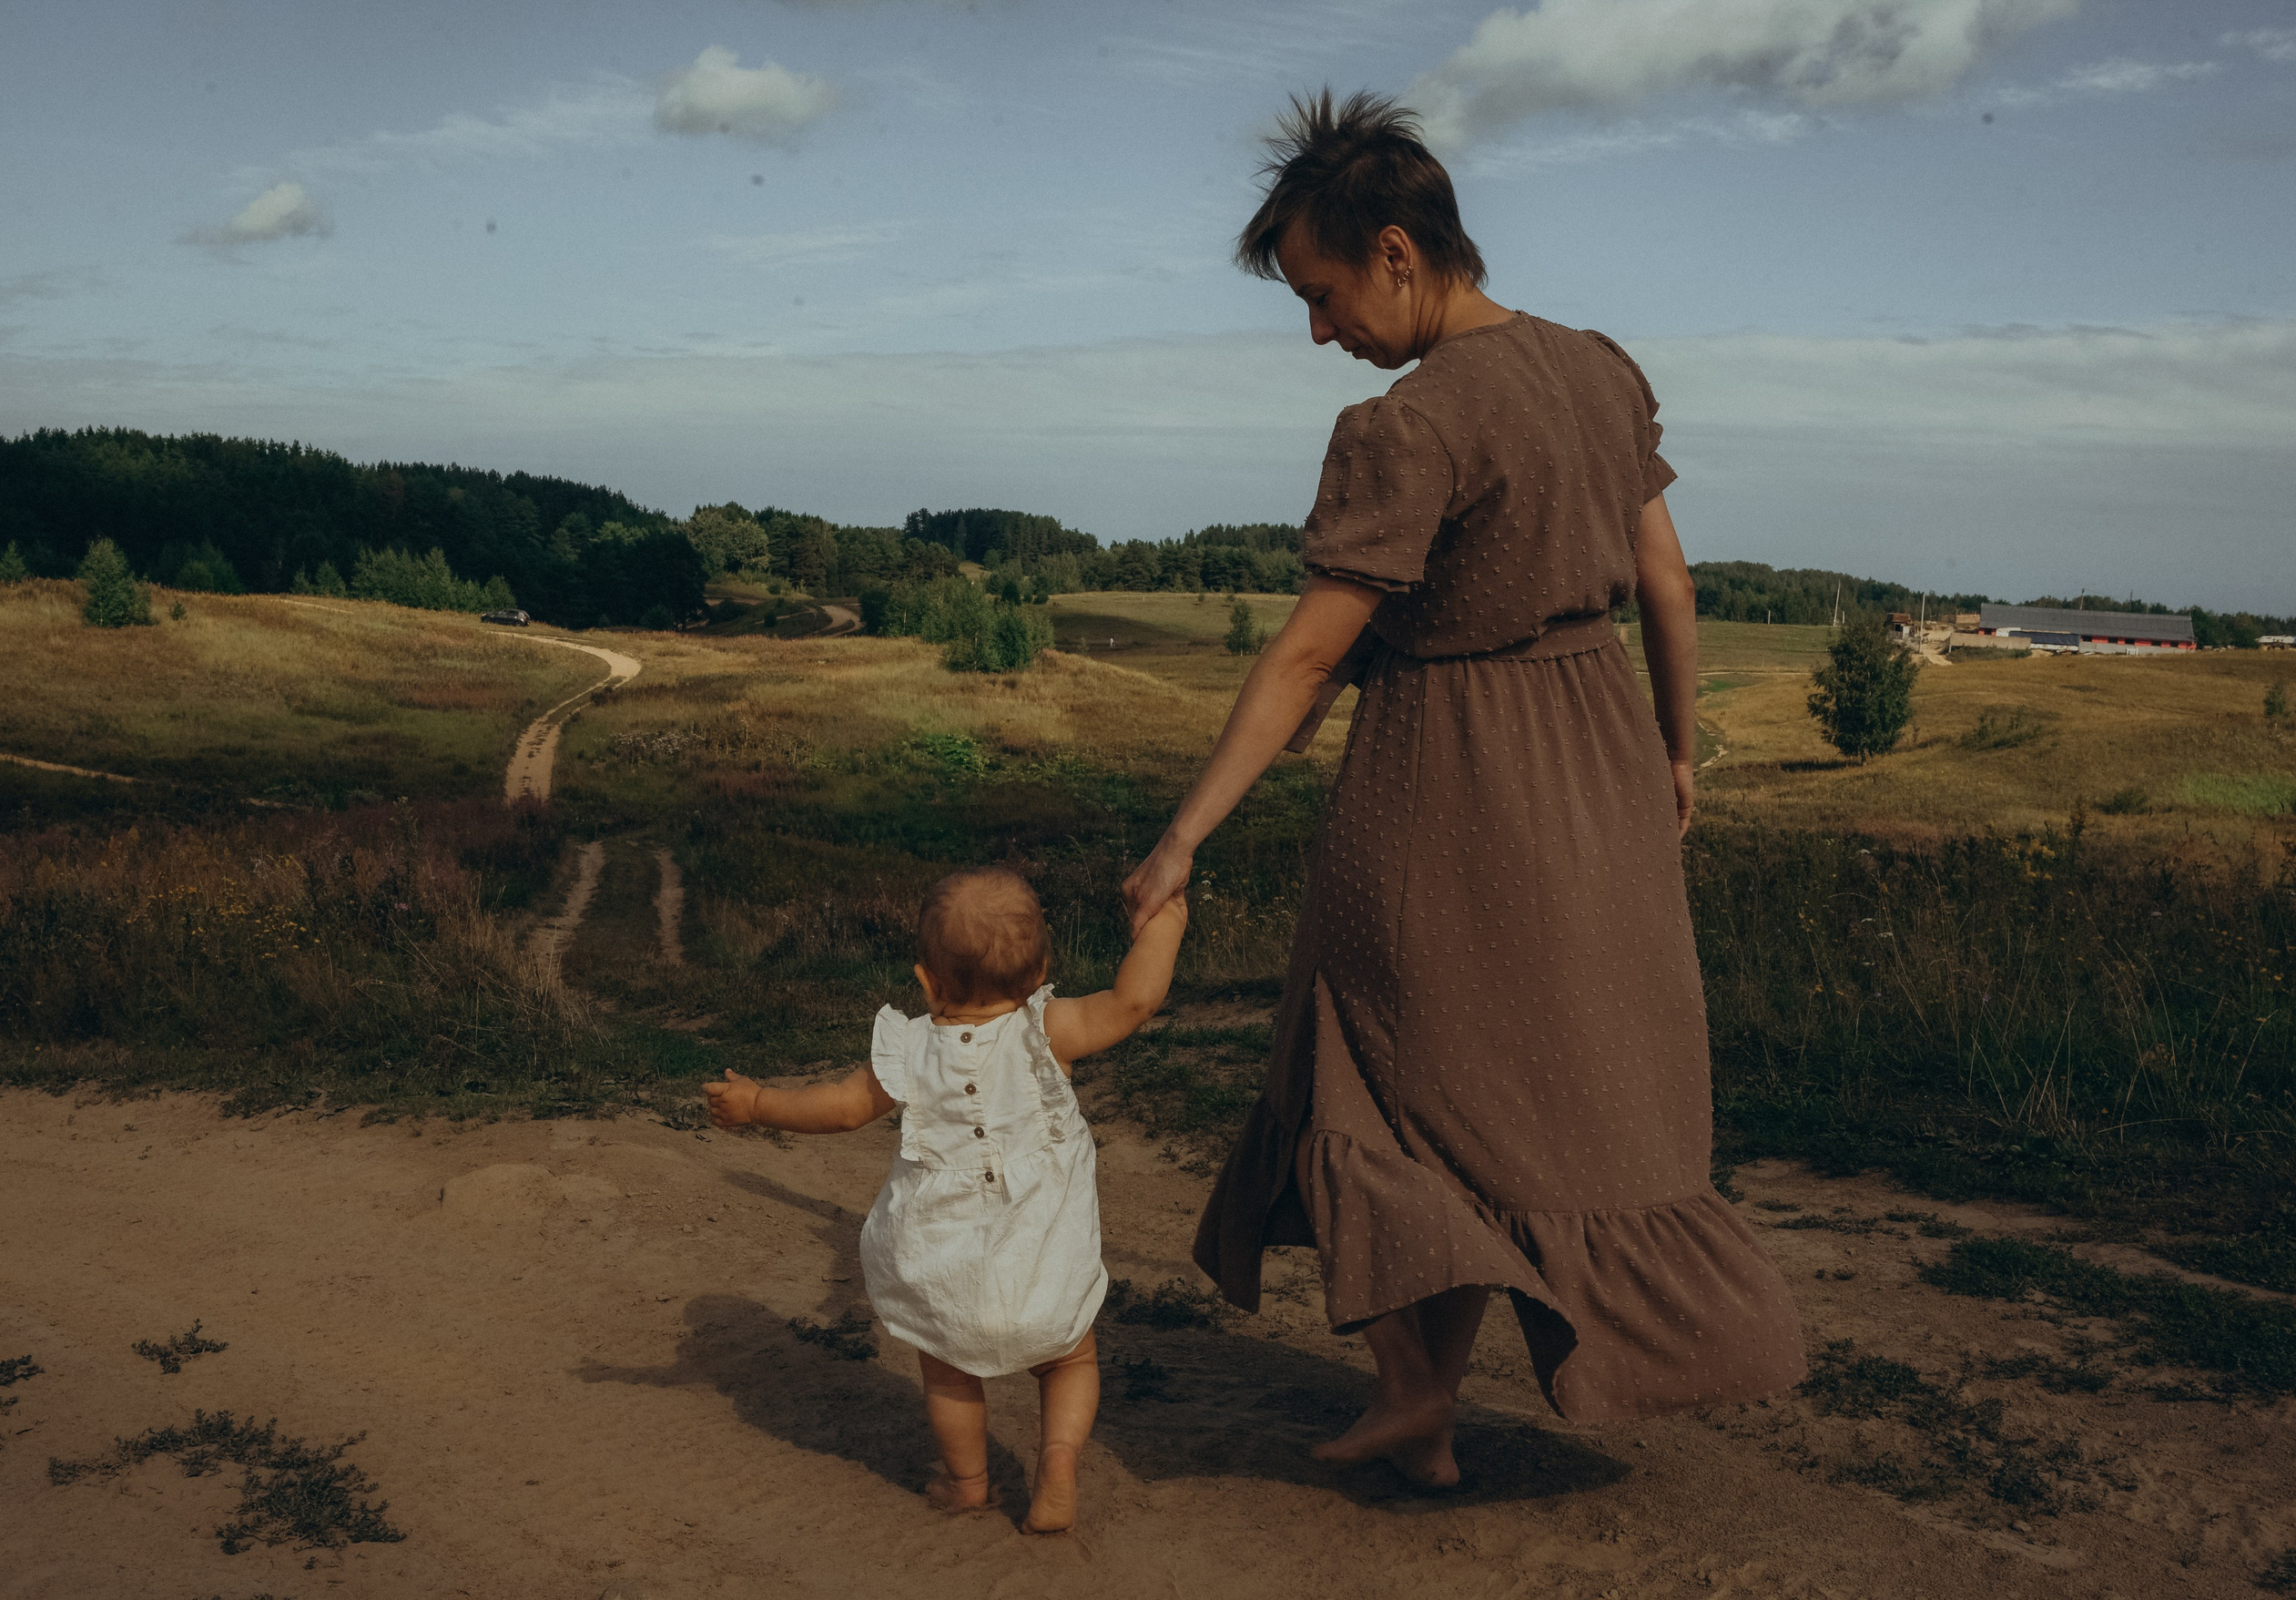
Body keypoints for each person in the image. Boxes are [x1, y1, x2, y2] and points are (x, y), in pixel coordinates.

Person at [1121, 91, 1804, 1488]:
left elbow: (1311, 656)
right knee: (1510, 1087)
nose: (1318, 335)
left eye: (1317, 297)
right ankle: (1419, 1402)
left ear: (1392, 251)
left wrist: (1183, 834)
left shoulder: (1406, 427)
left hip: (1449, 767)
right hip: (1600, 752)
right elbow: (1667, 581)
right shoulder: (1599, 369)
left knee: (1369, 1064)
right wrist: (1677, 752)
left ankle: (1416, 1390)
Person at [704, 866, 1189, 1534]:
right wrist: (1165, 925)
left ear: (927, 980)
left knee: (950, 1370)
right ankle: (1058, 1457)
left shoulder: (908, 1049)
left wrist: (759, 1103)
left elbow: (843, 1109)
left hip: (949, 1272)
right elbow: (1134, 1001)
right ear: (1042, 966)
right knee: (1070, 1356)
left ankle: (968, 1482)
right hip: (1041, 1262)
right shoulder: (1049, 1032)